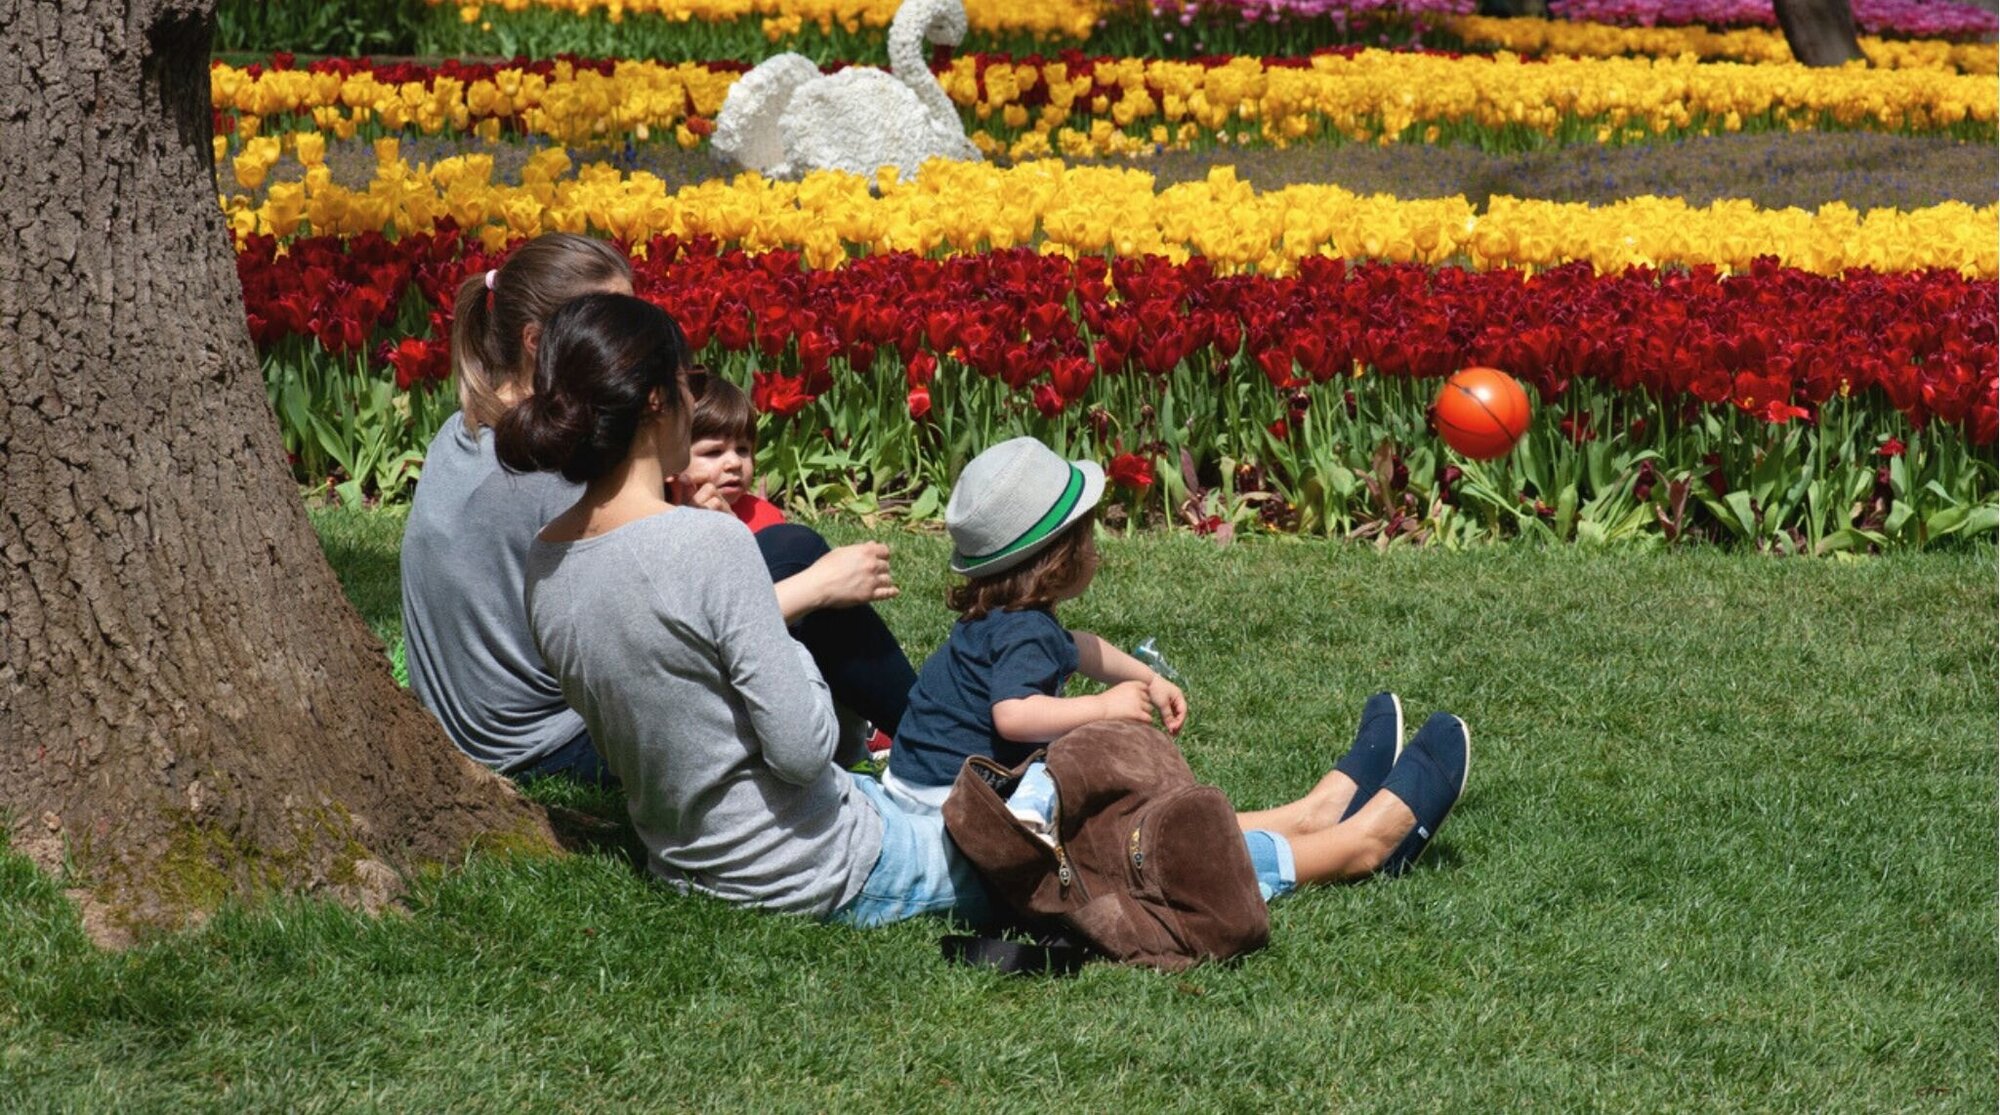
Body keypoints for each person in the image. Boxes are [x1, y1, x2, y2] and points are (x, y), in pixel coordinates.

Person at [497, 299, 1468, 933]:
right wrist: (796, 661)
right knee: (1098, 852)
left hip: (700, 856)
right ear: (658, 403)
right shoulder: (704, 546)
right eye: (685, 387)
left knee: (1058, 812)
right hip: (813, 862)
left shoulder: (545, 562)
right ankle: (1351, 846)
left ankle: (1302, 813)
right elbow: (801, 745)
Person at [400, 233, 914, 786]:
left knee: (786, 550)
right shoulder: (551, 469)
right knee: (801, 561)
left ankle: (919, 741)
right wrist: (818, 589)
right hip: (554, 747)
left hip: (486, 731)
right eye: (609, 317)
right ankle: (936, 748)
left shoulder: (469, 430)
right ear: (538, 341)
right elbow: (649, 635)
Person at [885, 436, 1472, 899]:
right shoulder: (1023, 632)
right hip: (963, 817)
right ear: (1058, 559)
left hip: (934, 794)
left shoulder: (1005, 617)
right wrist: (1101, 707)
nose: (1097, 552)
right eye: (1088, 540)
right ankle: (1359, 849)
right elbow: (1014, 716)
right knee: (1123, 835)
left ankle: (1312, 815)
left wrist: (1143, 678)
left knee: (1115, 811)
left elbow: (1077, 648)